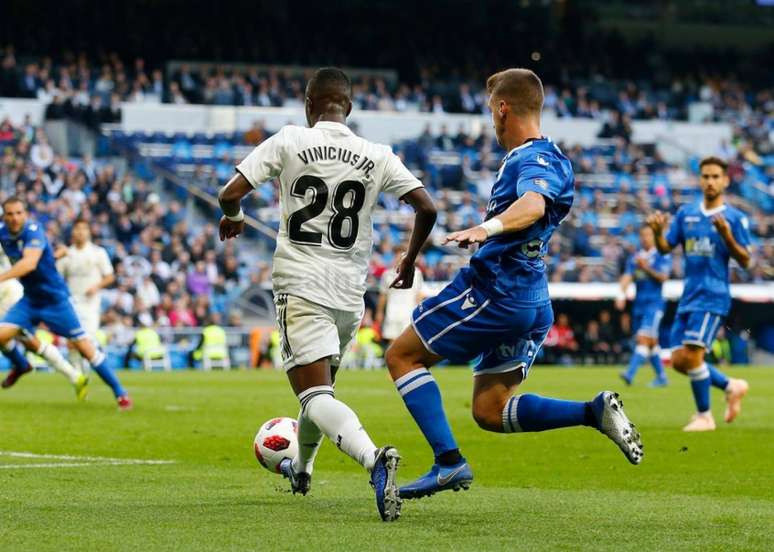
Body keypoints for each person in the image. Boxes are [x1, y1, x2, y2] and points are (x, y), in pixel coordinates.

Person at [384, 68, 643, 501]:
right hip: (531, 298)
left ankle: (448, 463)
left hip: (495, 290)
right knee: (489, 411)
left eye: (491, 110)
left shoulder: (531, 159)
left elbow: (533, 204)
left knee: (401, 356)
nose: (491, 120)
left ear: (503, 109)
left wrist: (488, 229)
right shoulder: (554, 156)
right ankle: (591, 412)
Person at [217, 67, 437, 522]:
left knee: (314, 395)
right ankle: (303, 466)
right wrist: (410, 259)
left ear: (308, 104)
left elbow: (229, 193)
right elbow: (427, 206)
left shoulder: (289, 140)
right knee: (321, 394)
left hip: (301, 284)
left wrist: (235, 216)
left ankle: (375, 459)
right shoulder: (377, 153)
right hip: (348, 292)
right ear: (349, 107)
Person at [647, 156, 750, 431]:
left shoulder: (735, 218)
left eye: (716, 176)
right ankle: (731, 386)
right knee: (680, 360)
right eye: (706, 176)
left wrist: (727, 236)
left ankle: (705, 416)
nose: (710, 181)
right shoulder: (685, 214)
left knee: (692, 357)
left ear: (726, 180)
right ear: (699, 179)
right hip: (688, 296)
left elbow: (746, 261)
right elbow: (665, 248)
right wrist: (657, 233)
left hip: (713, 296)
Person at [0, 197, 131, 409]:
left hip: (56, 301)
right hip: (30, 300)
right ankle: (21, 364)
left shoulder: (33, 230)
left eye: (19, 213)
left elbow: (29, 264)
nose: (15, 218)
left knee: (84, 346)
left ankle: (120, 392)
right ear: (4, 216)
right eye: (10, 214)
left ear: (25, 214)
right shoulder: (3, 232)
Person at [56, 218, 115, 371]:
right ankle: (78, 374)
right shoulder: (67, 254)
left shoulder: (98, 252)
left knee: (87, 339)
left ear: (89, 232)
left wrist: (97, 286)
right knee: (72, 340)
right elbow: (57, 278)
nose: (80, 232)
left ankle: (88, 369)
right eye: (77, 228)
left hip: (90, 303)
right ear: (73, 232)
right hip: (71, 302)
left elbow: (110, 276)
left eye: (84, 228)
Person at [616, 225, 670, 386]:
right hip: (639, 305)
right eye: (642, 235)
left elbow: (663, 277)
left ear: (654, 237)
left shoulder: (661, 255)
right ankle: (661, 377)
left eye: (648, 235)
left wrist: (645, 267)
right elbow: (627, 276)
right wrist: (621, 294)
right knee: (651, 342)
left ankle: (629, 373)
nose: (645, 238)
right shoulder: (635, 257)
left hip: (654, 304)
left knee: (643, 339)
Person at [375, 246, 424, 346]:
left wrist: (419, 312)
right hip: (392, 312)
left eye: (402, 255)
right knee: (392, 342)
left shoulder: (417, 273)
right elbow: (383, 295)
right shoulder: (387, 274)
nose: (399, 258)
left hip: (409, 312)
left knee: (408, 341)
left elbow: (419, 294)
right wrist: (379, 312)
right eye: (397, 255)